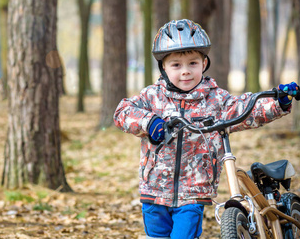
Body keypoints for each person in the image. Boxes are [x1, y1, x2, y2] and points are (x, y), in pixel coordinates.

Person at [113, 19, 298, 239]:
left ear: (204, 63)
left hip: (193, 193)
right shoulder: (152, 96)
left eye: (193, 63)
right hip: (154, 190)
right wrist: (149, 122)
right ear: (163, 66)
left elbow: (244, 109)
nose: (185, 72)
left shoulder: (215, 99)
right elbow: (123, 111)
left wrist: (278, 102)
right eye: (176, 65)